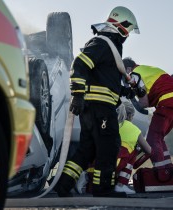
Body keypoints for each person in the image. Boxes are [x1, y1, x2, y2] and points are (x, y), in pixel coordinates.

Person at [54, 6, 140, 197]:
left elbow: (108, 84)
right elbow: (79, 64)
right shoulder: (103, 43)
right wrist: (77, 94)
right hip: (100, 109)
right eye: (128, 31)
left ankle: (63, 185)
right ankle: (103, 189)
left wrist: (129, 90)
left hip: (95, 108)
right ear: (123, 27)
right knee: (109, 146)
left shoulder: (109, 47)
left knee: (87, 149)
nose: (128, 36)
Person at [122, 57, 173, 169]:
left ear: (128, 69)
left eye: (124, 73)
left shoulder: (134, 74)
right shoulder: (147, 69)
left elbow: (144, 103)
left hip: (167, 102)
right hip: (169, 104)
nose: (125, 78)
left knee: (152, 140)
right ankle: (168, 170)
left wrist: (133, 99)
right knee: (158, 139)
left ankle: (160, 173)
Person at [114, 101, 151, 194]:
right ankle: (121, 185)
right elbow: (149, 150)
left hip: (100, 164)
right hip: (117, 165)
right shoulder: (135, 129)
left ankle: (86, 176)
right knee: (132, 152)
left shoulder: (112, 125)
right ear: (131, 116)